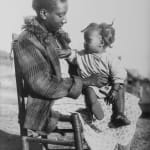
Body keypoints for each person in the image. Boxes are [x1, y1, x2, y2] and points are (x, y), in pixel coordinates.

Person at [12, 0, 108, 134]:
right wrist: (86, 82)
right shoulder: (27, 40)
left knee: (124, 100)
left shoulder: (56, 36)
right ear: (44, 13)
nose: (65, 20)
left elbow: (71, 68)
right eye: (61, 15)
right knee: (111, 107)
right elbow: (42, 84)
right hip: (46, 102)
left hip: (69, 93)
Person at [58, 22, 131, 128]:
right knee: (89, 90)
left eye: (88, 40)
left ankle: (118, 114)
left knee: (120, 89)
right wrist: (68, 52)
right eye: (84, 40)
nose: (84, 43)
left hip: (108, 87)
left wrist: (114, 90)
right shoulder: (82, 55)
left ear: (101, 42)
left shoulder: (109, 58)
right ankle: (94, 107)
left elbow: (119, 74)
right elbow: (74, 56)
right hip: (91, 85)